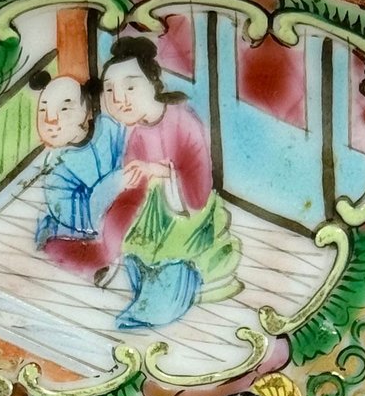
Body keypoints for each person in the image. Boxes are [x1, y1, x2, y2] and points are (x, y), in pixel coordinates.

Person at [95, 36, 241, 330]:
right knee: (132, 241)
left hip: (186, 212)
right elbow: (133, 187)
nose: (119, 99)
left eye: (130, 87)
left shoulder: (183, 122)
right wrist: (130, 182)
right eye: (109, 90)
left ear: (153, 83)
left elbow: (198, 187)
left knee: (170, 262)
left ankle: (155, 307)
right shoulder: (137, 133)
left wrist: (160, 173)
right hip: (151, 212)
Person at [29, 69, 126, 270]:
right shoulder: (55, 168)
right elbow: (81, 220)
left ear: (87, 110)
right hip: (76, 234)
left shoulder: (110, 129)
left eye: (64, 109)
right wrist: (117, 181)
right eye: (43, 110)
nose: (50, 120)